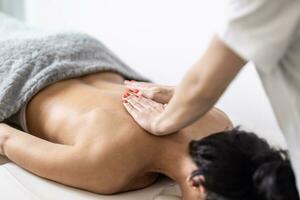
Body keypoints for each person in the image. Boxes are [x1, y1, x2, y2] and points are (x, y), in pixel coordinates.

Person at [0, 71, 298, 200]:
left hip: (82, 52)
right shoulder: (106, 169)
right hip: (16, 70)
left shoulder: (217, 121)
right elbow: (5, 138)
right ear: (200, 185)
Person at [121, 0, 300, 193]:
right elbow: (203, 82)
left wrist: (160, 122)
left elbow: (205, 81)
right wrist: (178, 96)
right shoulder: (219, 123)